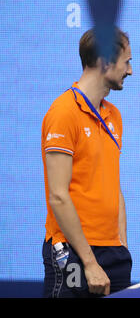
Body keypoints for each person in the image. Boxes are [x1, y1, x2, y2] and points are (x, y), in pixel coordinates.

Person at [41, 27, 133, 297]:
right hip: (72, 252)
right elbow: (58, 196)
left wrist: (122, 246)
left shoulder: (113, 115)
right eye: (127, 62)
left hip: (113, 253)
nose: (130, 71)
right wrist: (90, 263)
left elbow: (113, 186)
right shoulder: (63, 113)